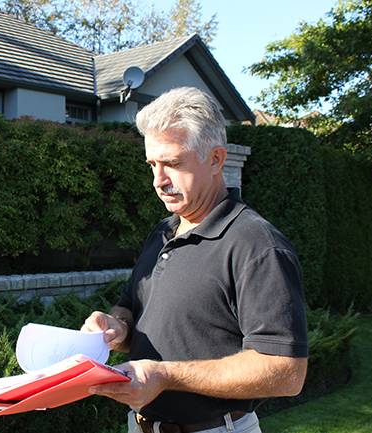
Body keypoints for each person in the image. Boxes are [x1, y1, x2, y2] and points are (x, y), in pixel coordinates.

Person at [81, 87, 308, 433]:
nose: (159, 181)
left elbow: (286, 372)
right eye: (152, 165)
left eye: (172, 163)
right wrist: (115, 327)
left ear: (216, 159)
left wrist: (166, 375)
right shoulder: (162, 233)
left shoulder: (257, 245)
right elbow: (130, 308)